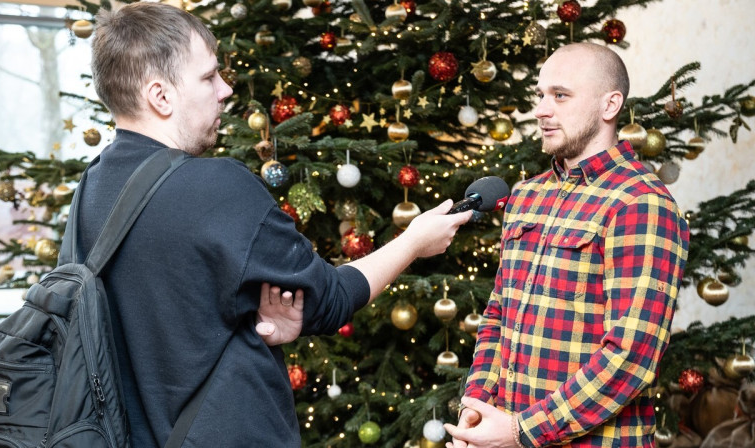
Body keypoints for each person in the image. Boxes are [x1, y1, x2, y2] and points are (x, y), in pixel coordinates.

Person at [79, 2, 471, 446]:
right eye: (208, 77)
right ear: (160, 96)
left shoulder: (91, 189)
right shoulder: (216, 187)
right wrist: (414, 241)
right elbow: (331, 299)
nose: (225, 89)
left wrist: (256, 327)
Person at [445, 42, 690, 448]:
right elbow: (498, 315)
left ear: (609, 105)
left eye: (560, 95)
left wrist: (520, 431)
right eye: (540, 95)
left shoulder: (641, 203)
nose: (541, 109)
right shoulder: (526, 196)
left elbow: (631, 357)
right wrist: (477, 405)